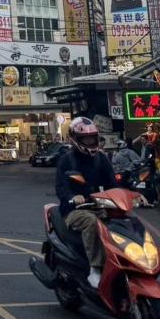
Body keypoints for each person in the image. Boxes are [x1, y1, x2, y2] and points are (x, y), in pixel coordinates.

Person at [56, 117, 117, 289]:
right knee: (92, 222)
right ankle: (95, 269)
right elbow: (61, 188)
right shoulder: (66, 160)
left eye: (92, 138)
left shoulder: (101, 159)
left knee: (123, 220)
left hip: (100, 205)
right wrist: (73, 197)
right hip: (74, 210)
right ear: (75, 139)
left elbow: (113, 184)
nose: (90, 142)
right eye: (86, 139)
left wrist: (132, 195)